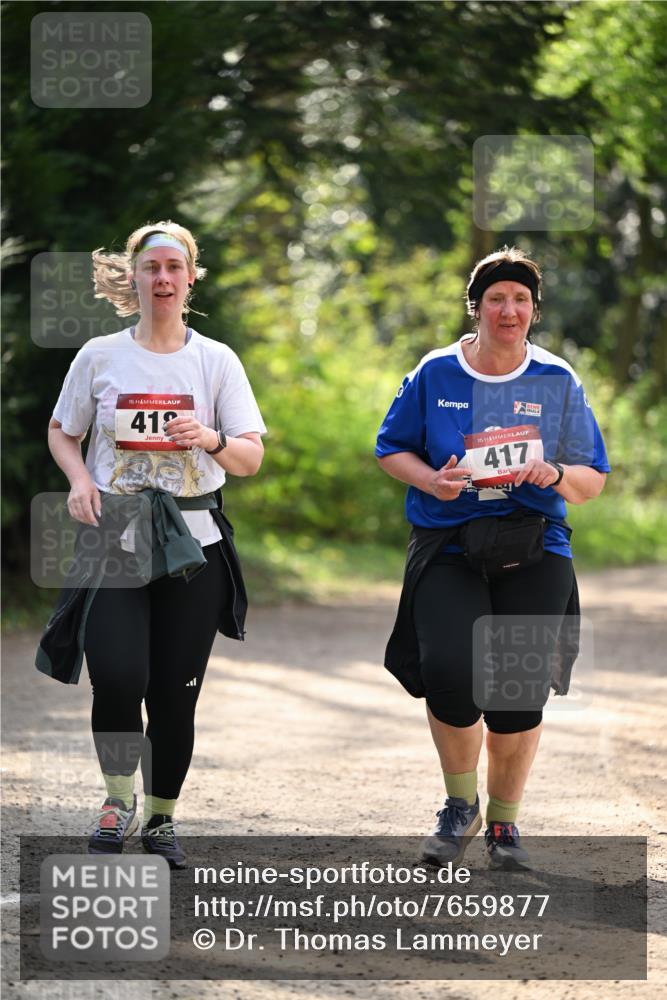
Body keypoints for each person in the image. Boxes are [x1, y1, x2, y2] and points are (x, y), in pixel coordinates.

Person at [39, 221, 266, 867]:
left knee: (174, 689)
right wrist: (80, 478)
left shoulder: (215, 360)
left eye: (174, 267)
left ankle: (162, 818)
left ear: (191, 277)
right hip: (115, 537)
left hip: (193, 546)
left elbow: (249, 458)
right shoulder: (100, 355)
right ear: (132, 278)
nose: (162, 278)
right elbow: (63, 430)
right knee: (116, 674)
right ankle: (117, 800)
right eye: (151, 267)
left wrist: (211, 439)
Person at [375, 246, 610, 870]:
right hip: (449, 545)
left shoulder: (556, 379)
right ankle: (460, 807)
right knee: (450, 674)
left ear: (533, 311)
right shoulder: (436, 372)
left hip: (534, 547)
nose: (509, 310)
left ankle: (505, 827)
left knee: (515, 696)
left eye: (522, 300)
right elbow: (390, 448)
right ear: (476, 307)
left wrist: (554, 470)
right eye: (497, 298)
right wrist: (433, 482)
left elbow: (591, 482)